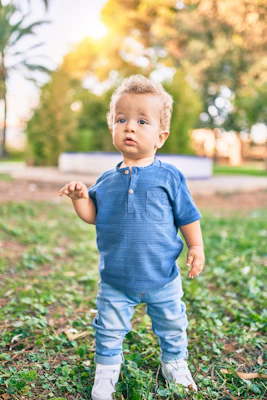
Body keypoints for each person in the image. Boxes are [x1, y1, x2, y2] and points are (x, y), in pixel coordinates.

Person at [59, 74, 205, 400]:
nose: (129, 127)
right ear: (112, 125)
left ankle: (175, 363)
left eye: (142, 121)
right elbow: (93, 217)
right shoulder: (106, 181)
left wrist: (195, 246)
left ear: (161, 136)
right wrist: (80, 198)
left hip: (163, 277)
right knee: (108, 329)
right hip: (116, 280)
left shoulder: (169, 177)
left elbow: (188, 216)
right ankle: (107, 371)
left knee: (172, 324)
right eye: (121, 119)